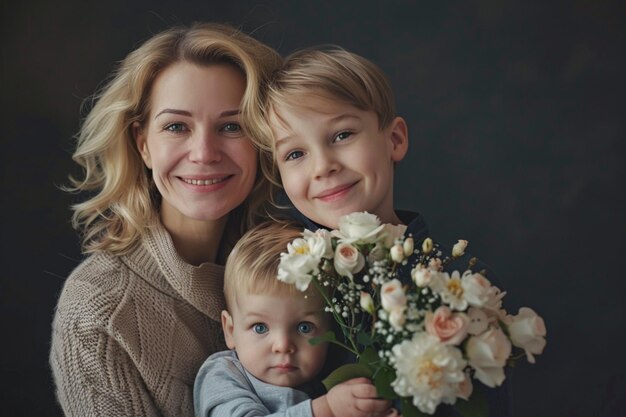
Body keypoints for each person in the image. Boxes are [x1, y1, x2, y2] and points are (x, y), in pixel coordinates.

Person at [250, 46, 511, 417]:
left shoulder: (464, 283)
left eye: (342, 135)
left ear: (395, 139)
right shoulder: (272, 275)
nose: (323, 166)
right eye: (295, 154)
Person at [49, 22, 282, 417]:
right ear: (143, 145)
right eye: (176, 126)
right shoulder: (96, 313)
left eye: (231, 126)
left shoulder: (296, 260)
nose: (204, 153)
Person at [194, 221, 398, 417]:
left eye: (304, 328)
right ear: (230, 330)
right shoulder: (224, 375)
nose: (283, 346)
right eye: (260, 328)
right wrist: (327, 409)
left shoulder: (321, 382)